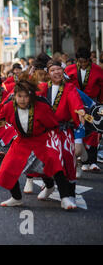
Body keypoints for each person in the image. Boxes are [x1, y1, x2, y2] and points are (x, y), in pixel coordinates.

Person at [0, 77, 77, 210]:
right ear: (14, 96)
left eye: (26, 96)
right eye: (20, 96)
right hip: (21, 140)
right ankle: (16, 198)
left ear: (31, 96)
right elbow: (1, 119)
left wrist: (55, 143)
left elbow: (52, 125)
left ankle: (64, 198)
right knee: (7, 168)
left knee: (54, 164)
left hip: (42, 139)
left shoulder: (41, 107)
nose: (23, 99)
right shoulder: (8, 106)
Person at [22, 60, 86, 202]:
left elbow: (75, 101)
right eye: (53, 70)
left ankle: (70, 195)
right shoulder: (44, 87)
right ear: (48, 74)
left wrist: (80, 110)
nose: (56, 72)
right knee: (41, 160)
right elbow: (30, 94)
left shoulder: (69, 88)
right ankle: (49, 186)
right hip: (46, 133)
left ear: (63, 71)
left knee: (69, 161)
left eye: (59, 69)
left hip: (64, 132)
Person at [65, 47, 103, 172]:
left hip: (93, 103)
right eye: (79, 62)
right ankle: (84, 159)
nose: (82, 64)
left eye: (84, 62)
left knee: (94, 132)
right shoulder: (69, 70)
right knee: (79, 129)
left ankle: (92, 161)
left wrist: (100, 104)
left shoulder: (98, 70)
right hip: (76, 103)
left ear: (89, 60)